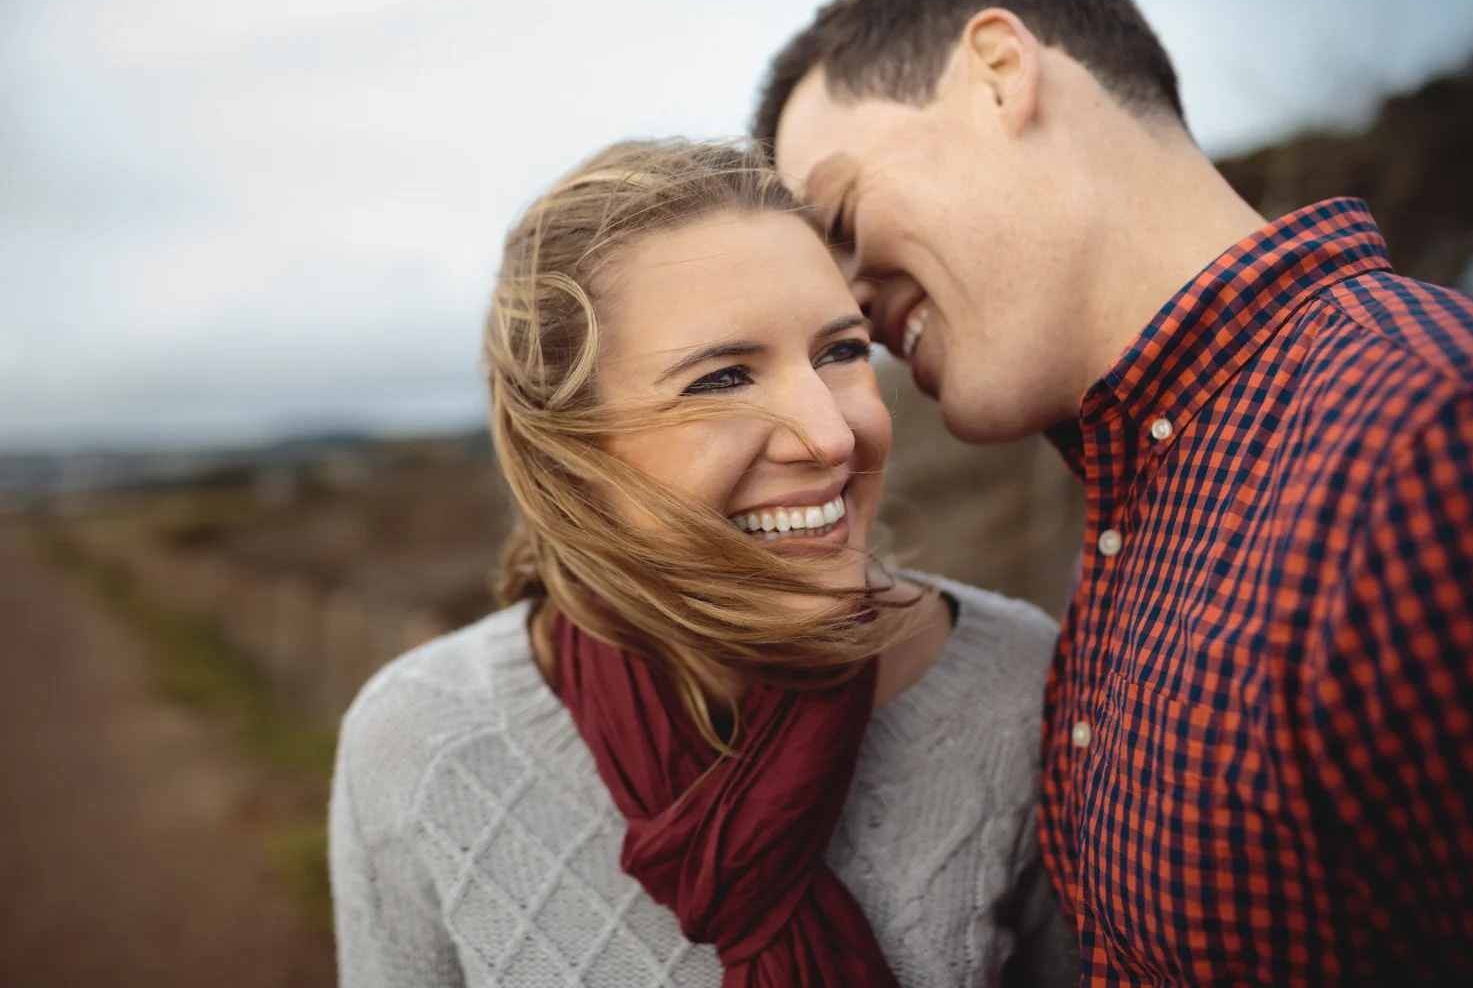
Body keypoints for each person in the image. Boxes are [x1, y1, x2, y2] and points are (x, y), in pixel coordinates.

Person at [755, 0, 1473, 983]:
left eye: (843, 217)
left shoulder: (1438, 436)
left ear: (999, 72)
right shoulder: (1146, 505)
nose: (845, 297)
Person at [329, 139, 1081, 987]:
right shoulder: (423, 740)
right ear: (571, 457)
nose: (831, 436)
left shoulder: (1019, 690)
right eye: (723, 379)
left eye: (840, 352)